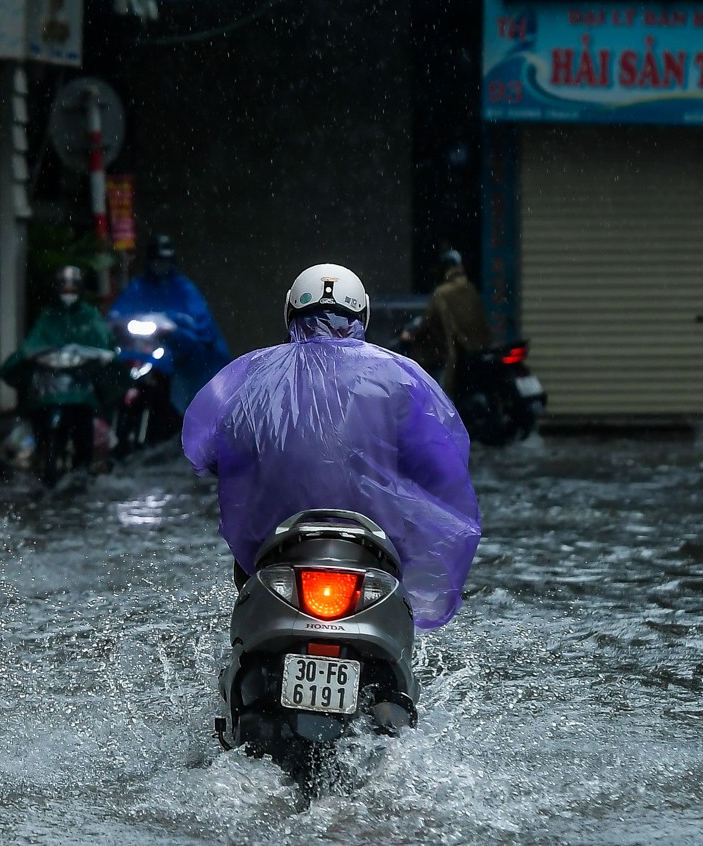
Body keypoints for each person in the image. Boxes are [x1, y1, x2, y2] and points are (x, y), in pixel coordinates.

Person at [182, 263, 481, 629]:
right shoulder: (401, 376)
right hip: (374, 549)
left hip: (276, 548)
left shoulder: (250, 374)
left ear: (291, 313)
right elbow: (441, 467)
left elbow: (205, 451)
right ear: (362, 314)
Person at [0, 264, 114, 480]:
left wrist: (95, 357)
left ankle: (87, 466)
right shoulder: (48, 316)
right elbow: (33, 344)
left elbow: (103, 343)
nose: (68, 294)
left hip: (81, 388)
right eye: (64, 289)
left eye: (72, 289)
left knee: (85, 425)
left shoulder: (89, 316)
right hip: (50, 387)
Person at [107, 234, 231, 412]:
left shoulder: (183, 288)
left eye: (165, 261)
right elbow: (116, 315)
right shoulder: (138, 287)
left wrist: (174, 324)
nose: (161, 265)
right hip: (142, 354)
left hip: (180, 359)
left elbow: (202, 325)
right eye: (157, 260)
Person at [402, 248, 491, 399]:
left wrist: (411, 335)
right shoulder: (470, 289)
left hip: (454, 355)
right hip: (476, 351)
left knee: (439, 398)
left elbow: (427, 322)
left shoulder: (442, 293)